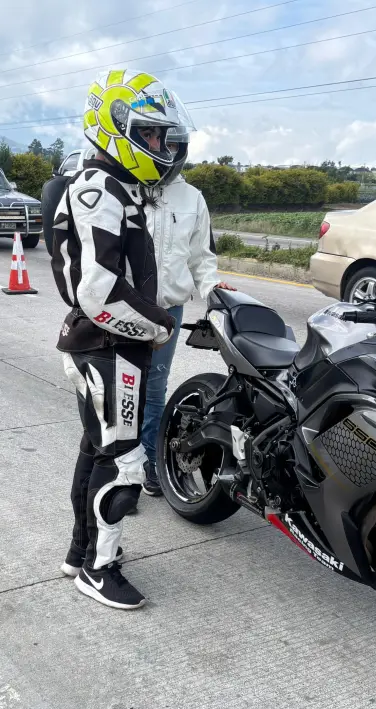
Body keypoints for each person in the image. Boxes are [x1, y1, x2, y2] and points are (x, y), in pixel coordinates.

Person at [51, 70, 182, 610]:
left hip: (101, 345)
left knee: (96, 449)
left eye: (159, 136)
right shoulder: (98, 189)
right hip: (106, 345)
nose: (158, 146)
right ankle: (99, 570)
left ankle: (80, 552)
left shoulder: (108, 185)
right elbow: (99, 293)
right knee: (125, 460)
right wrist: (158, 325)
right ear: (114, 127)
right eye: (149, 135)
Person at [140, 123, 234, 497]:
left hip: (168, 312)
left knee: (154, 390)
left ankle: (150, 463)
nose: (161, 147)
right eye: (152, 139)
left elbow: (200, 257)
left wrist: (212, 288)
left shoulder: (192, 197)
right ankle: (117, 465)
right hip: (124, 310)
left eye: (169, 142)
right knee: (121, 390)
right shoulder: (128, 190)